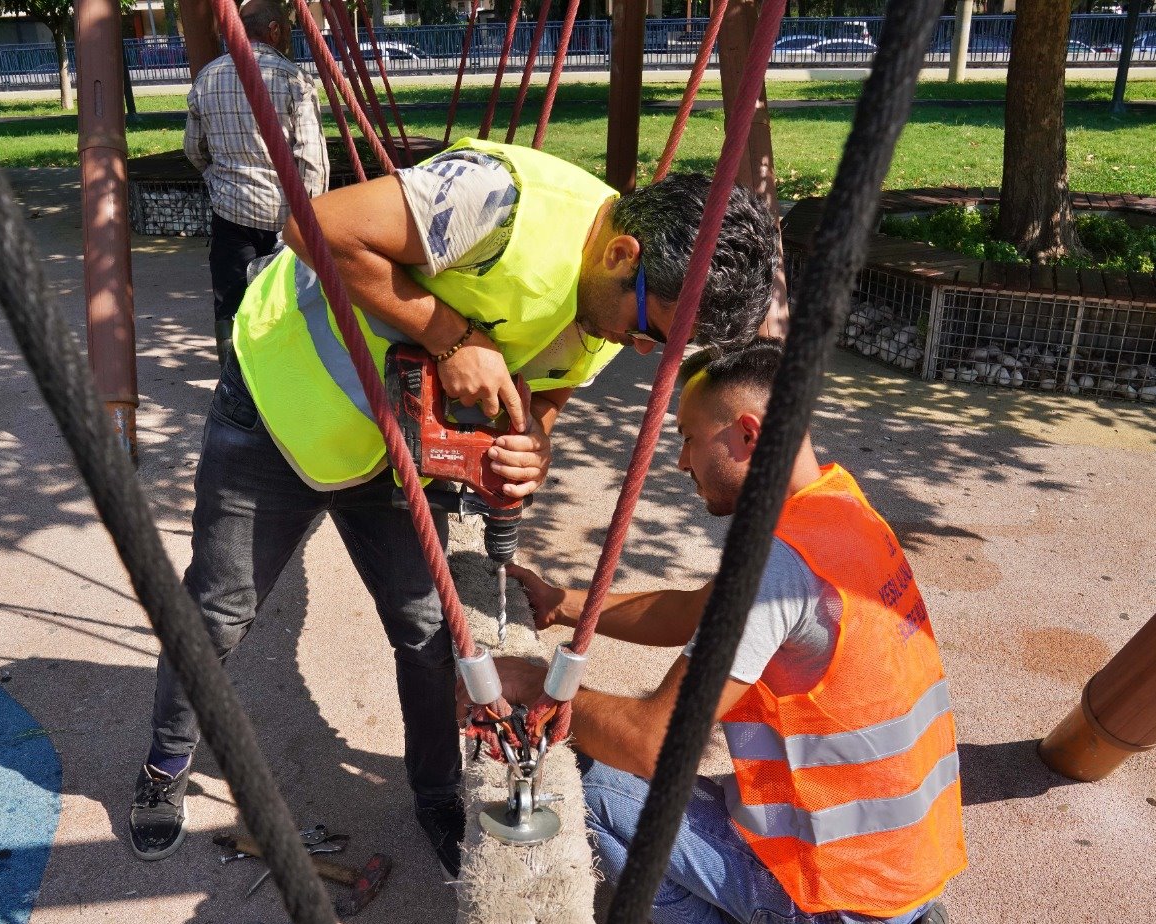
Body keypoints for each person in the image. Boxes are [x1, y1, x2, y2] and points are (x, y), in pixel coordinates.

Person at [127, 134, 782, 877]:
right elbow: (311, 226)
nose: (638, 349)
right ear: (622, 253)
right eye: (650, 329)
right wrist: (453, 337)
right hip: (282, 405)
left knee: (433, 633)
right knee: (217, 611)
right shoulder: (497, 202)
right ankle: (165, 762)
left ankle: (437, 792)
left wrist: (532, 442)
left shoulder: (614, 308)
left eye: (660, 346)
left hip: (397, 449)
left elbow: (550, 387)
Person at [492, 339, 966, 924]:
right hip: (905, 858)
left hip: (839, 892)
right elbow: (697, 609)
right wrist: (565, 604)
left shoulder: (774, 570)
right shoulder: (837, 508)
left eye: (687, 438)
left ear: (747, 434)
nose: (679, 460)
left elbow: (656, 743)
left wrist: (532, 685)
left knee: (582, 781)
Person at [185, 0, 329, 362]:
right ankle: (283, 378)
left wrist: (217, 178)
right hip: (286, 221)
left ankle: (233, 382)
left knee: (231, 303)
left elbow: (193, 148)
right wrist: (307, 220)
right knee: (286, 304)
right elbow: (313, 162)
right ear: (274, 30)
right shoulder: (292, 79)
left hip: (231, 214)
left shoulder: (208, 77)